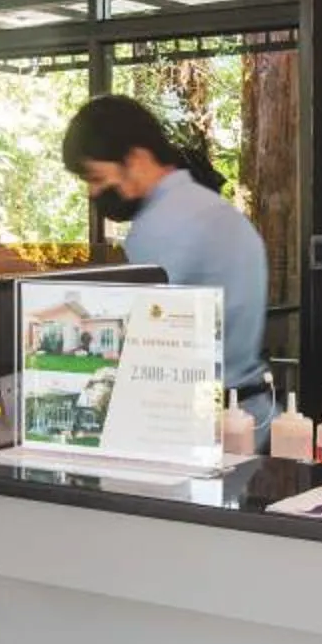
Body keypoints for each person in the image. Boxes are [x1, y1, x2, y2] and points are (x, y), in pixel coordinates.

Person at [58, 96, 274, 429]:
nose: (92, 193)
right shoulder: (217, 211)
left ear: (137, 159)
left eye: (97, 178)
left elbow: (129, 345)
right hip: (251, 413)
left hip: (197, 426)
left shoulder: (161, 227)